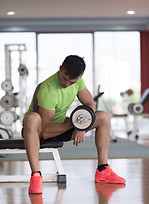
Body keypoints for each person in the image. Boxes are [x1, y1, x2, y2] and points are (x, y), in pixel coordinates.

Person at [22, 55, 126, 194]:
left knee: (104, 117)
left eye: (72, 82)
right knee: (32, 118)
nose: (67, 84)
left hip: (63, 127)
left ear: (80, 77)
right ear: (60, 69)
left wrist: (81, 126)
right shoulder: (48, 89)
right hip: (38, 133)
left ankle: (103, 170)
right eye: (65, 78)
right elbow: (44, 132)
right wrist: (76, 124)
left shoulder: (78, 82)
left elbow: (90, 104)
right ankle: (36, 176)